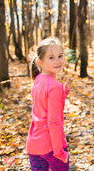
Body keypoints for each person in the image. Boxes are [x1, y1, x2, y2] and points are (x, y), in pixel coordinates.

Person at [26, 37, 70, 171]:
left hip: (34, 145)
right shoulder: (54, 86)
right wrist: (59, 151)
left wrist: (62, 96)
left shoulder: (38, 80)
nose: (57, 61)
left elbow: (42, 106)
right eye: (51, 57)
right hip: (52, 147)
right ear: (40, 62)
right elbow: (53, 121)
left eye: (60, 56)